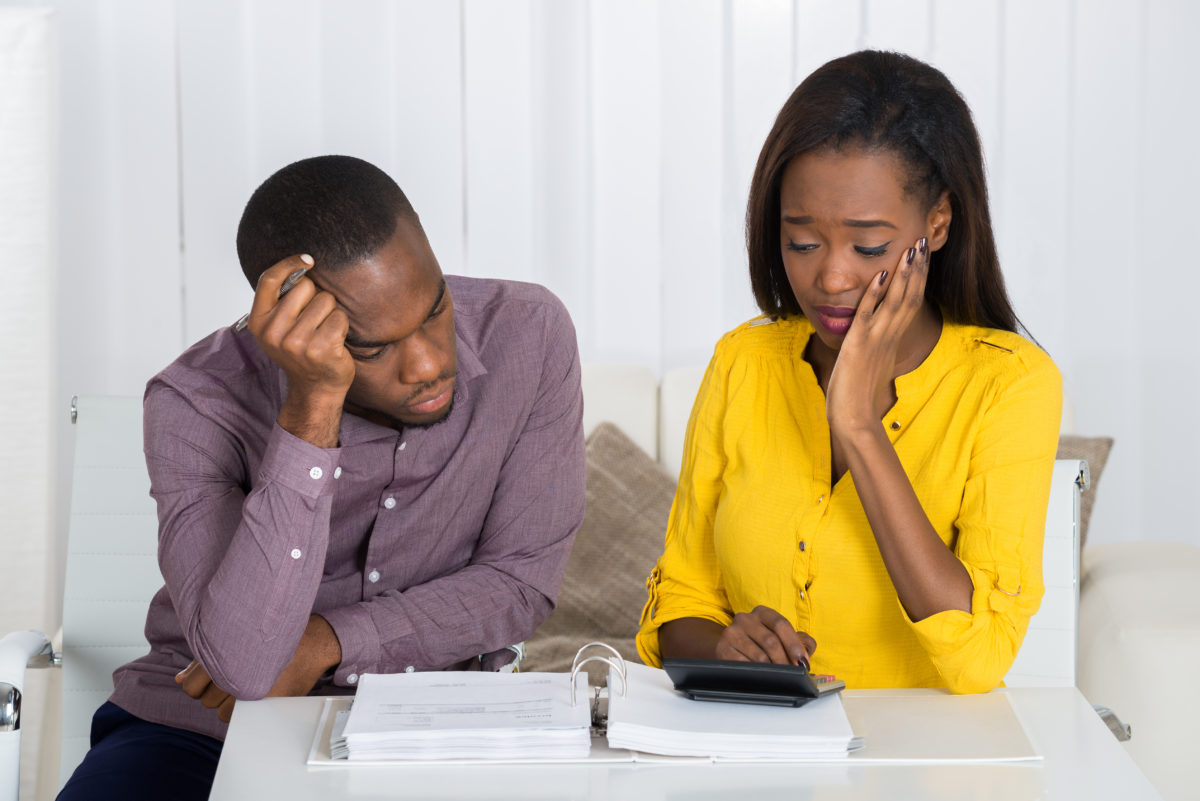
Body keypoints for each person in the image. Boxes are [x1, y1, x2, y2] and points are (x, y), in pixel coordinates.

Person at [58, 155, 585, 800]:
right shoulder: (194, 400)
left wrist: (323, 642)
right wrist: (312, 406)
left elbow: (519, 582)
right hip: (207, 723)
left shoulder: (528, 334)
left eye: (435, 310)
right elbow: (247, 668)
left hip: (434, 719)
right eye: (373, 347)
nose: (427, 364)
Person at [636, 50, 1062, 694]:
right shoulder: (744, 363)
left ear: (937, 224)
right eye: (801, 241)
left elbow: (979, 658)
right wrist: (727, 646)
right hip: (757, 760)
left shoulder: (1010, 384)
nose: (831, 278)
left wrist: (859, 425)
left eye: (868, 246)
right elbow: (679, 604)